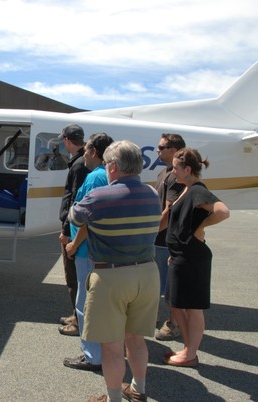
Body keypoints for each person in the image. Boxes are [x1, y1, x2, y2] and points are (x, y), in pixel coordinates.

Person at [69, 141, 161, 402]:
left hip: (111, 276)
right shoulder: (152, 194)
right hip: (146, 273)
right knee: (136, 339)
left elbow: (75, 217)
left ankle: (113, 399)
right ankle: (138, 390)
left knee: (111, 346)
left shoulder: (100, 196)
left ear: (113, 166)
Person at [162, 148, 230, 367]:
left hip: (192, 257)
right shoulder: (187, 188)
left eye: (175, 168)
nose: (173, 172)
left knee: (192, 307)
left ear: (188, 169)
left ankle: (190, 354)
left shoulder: (197, 190)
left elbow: (222, 211)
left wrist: (200, 227)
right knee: (176, 303)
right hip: (181, 256)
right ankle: (187, 348)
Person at [63, 132, 113, 371]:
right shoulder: (108, 176)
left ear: (94, 152)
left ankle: (92, 355)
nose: (83, 153)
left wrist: (73, 244)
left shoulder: (94, 178)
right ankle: (103, 350)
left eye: (86, 150)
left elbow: (86, 218)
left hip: (85, 250)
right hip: (99, 249)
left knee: (85, 303)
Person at [57, 124, 90, 336]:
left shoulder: (78, 165)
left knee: (73, 276)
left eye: (64, 140)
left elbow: (75, 202)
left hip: (73, 229)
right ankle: (76, 314)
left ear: (68, 140)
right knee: (75, 276)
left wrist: (66, 230)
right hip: (76, 227)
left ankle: (78, 322)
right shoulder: (81, 162)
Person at [154, 133, 186, 341]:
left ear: (173, 150)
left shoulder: (174, 177)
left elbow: (170, 209)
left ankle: (173, 324)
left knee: (170, 289)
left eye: (161, 147)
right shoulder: (165, 172)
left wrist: (152, 230)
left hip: (165, 240)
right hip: (160, 239)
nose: (157, 150)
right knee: (159, 284)